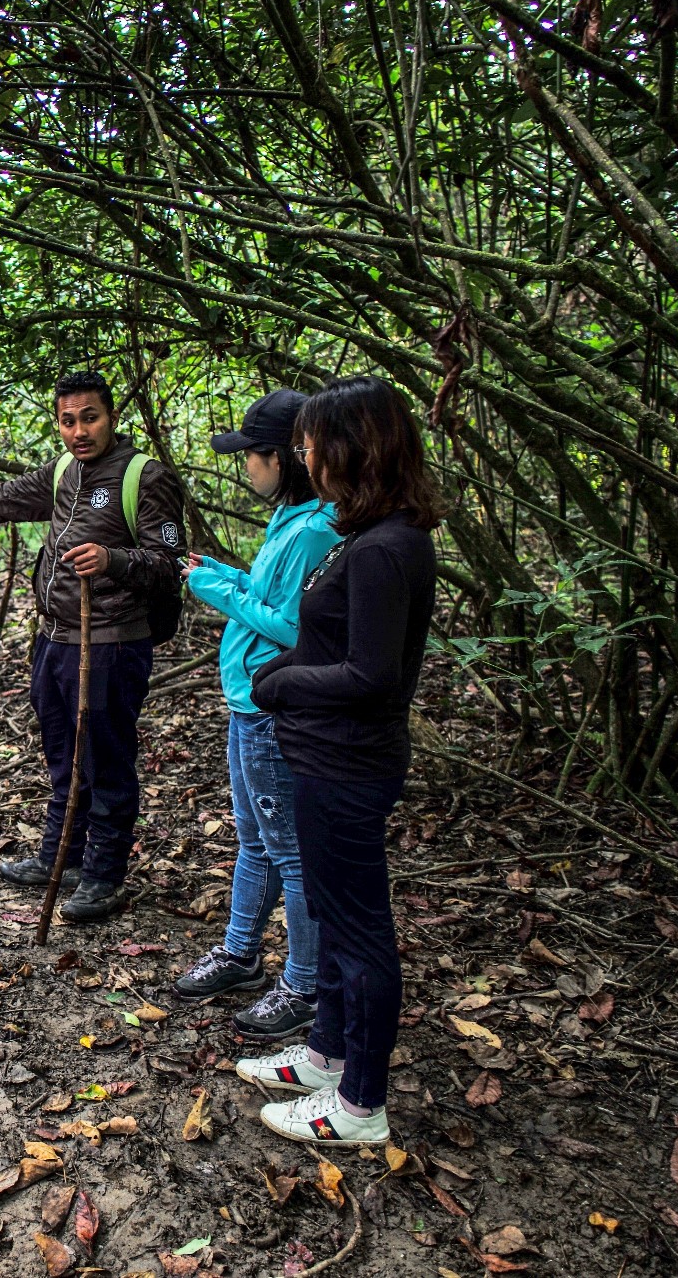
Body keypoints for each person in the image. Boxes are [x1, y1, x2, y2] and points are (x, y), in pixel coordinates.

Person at [231, 377, 445, 1147]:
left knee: (359, 932)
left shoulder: (391, 548)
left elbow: (371, 675)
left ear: (354, 448)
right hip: (323, 758)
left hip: (350, 765)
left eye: (314, 442)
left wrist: (280, 680)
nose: (305, 454)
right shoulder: (366, 534)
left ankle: (360, 1104)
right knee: (331, 912)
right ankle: (327, 1054)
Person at [0, 369, 185, 922]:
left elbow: (170, 566)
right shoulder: (63, 471)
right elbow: (5, 498)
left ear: (111, 417)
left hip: (110, 644)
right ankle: (64, 855)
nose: (79, 430)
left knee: (106, 758)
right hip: (55, 639)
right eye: (67, 420)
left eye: (90, 418)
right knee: (63, 753)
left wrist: (113, 560)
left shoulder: (144, 478)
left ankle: (104, 876)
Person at [172, 390, 337, 1040]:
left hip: (272, 707)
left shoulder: (315, 528)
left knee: (292, 854)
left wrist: (215, 589)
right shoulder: (295, 519)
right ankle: (240, 953)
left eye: (252, 456)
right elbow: (266, 594)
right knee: (255, 840)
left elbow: (291, 625)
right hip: (249, 703)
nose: (246, 468)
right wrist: (218, 572)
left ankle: (305, 983)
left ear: (282, 459)